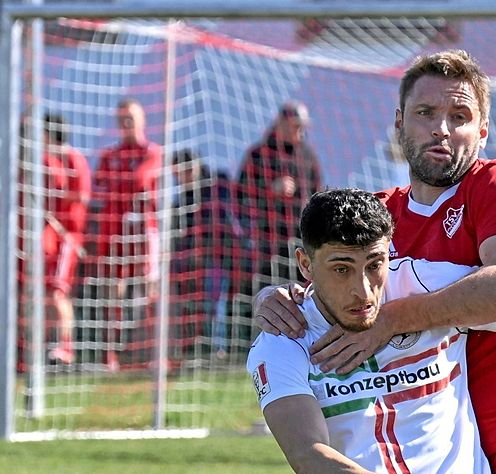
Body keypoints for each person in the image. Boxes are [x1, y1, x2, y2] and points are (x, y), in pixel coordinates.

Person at [255, 50, 496, 474]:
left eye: (460, 117)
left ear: (482, 132)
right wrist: (272, 296)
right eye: (426, 114)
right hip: (443, 439)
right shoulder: (380, 216)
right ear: (399, 123)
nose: (442, 129)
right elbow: (328, 282)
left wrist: (394, 319)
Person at [250, 188, 496, 474]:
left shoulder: (420, 284)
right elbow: (309, 458)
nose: (363, 291)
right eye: (341, 269)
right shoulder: (283, 341)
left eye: (375, 264)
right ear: (306, 265)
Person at [16, 113, 92, 368]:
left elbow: (79, 195)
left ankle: (65, 347)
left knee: (58, 293)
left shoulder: (67, 159)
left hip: (65, 237)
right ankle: (33, 348)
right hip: (42, 238)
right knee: (34, 294)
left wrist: (51, 200)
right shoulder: (32, 161)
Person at [92, 98, 163, 371]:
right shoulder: (111, 155)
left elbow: (140, 181)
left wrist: (118, 183)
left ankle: (151, 353)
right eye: (121, 119)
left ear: (142, 120)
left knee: (148, 292)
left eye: (130, 118)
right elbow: (99, 186)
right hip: (116, 231)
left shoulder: (152, 152)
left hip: (144, 231)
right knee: (113, 293)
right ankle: (110, 356)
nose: (125, 124)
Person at [236, 100, 323, 289]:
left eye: (303, 127)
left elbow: (317, 194)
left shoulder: (308, 156)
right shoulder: (258, 155)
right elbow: (241, 196)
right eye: (296, 126)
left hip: (300, 238)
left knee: (301, 291)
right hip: (267, 242)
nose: (301, 132)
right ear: (281, 123)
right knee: (269, 292)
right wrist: (271, 190)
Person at [170, 150, 242, 360]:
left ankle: (218, 349)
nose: (182, 177)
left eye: (186, 170)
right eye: (178, 173)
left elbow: (224, 223)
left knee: (215, 303)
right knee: (195, 306)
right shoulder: (181, 202)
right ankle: (196, 349)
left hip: (219, 258)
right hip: (191, 263)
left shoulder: (218, 188)